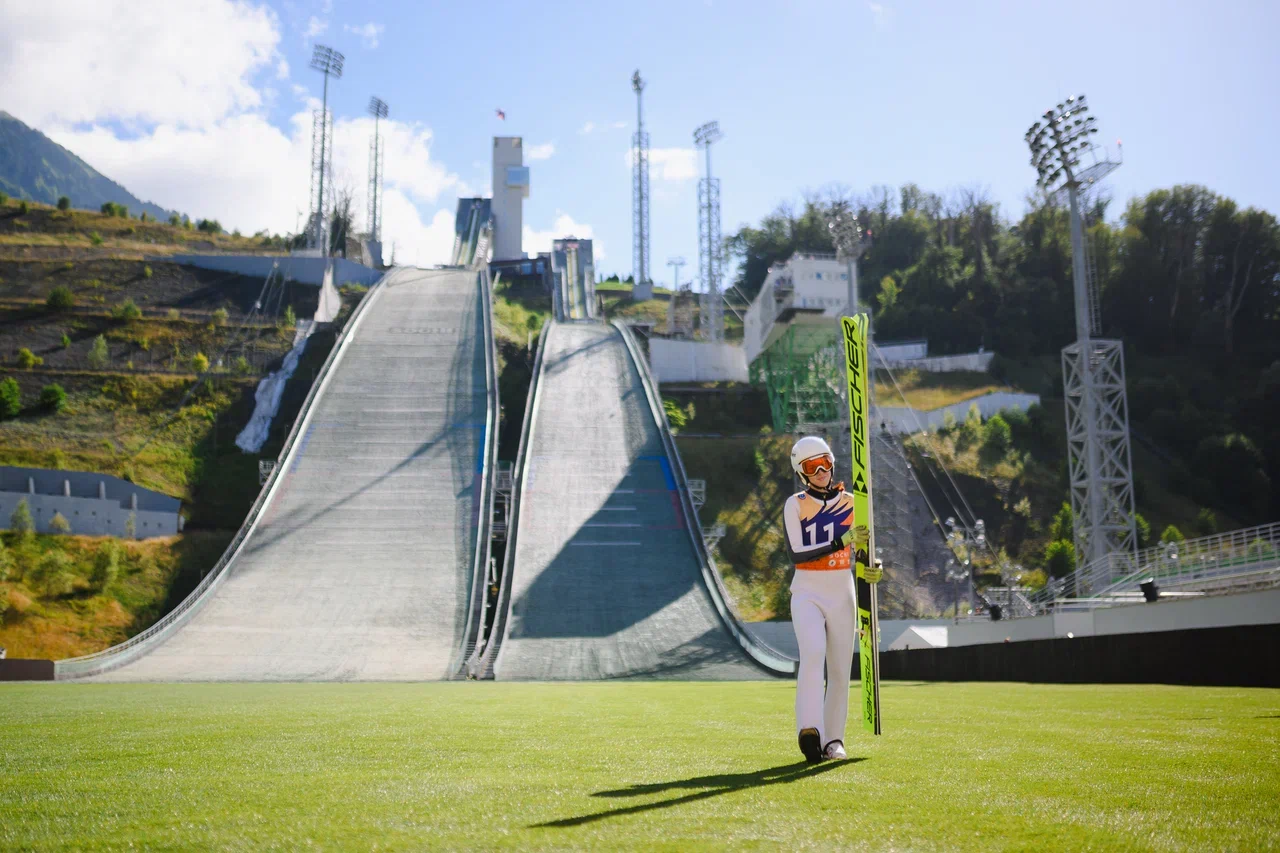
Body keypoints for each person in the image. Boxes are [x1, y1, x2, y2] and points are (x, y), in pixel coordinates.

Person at [783, 436, 882, 763]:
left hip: (842, 589)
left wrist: (873, 569)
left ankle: (834, 739)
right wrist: (842, 539)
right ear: (803, 473)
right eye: (813, 466)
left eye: (825, 461)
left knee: (840, 669)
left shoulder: (854, 503)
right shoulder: (795, 504)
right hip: (807, 590)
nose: (822, 470)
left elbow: (867, 553)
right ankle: (810, 730)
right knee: (813, 654)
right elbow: (797, 554)